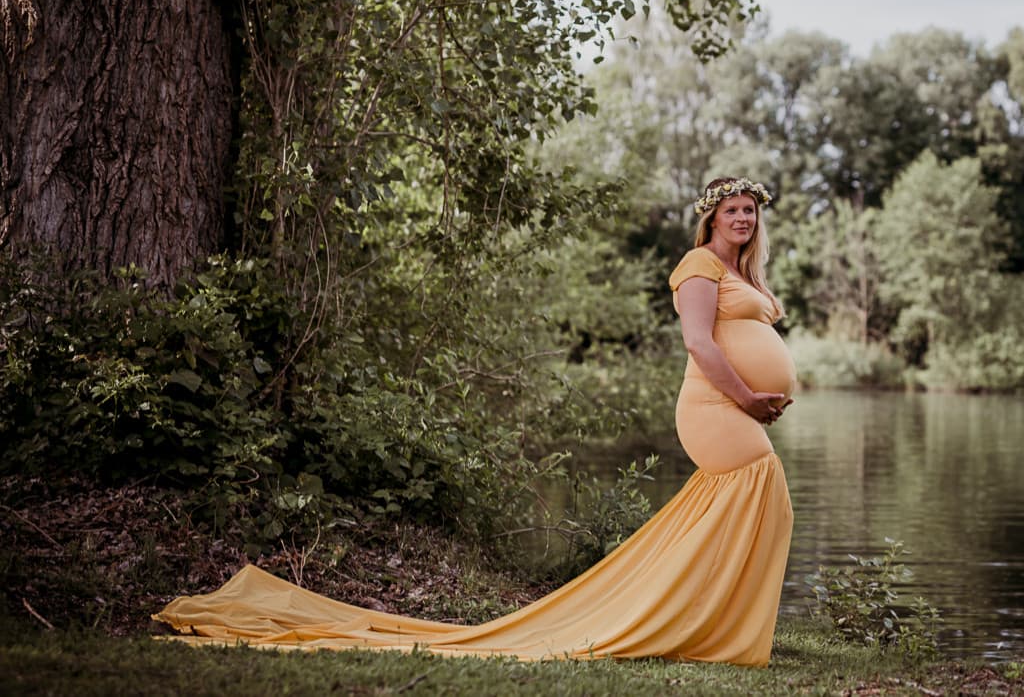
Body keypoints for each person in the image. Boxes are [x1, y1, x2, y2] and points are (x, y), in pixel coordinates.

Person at [153, 176, 797, 668]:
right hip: (716, 407)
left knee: (747, 507)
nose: (741, 218)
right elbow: (701, 346)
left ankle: (705, 623)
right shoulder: (699, 268)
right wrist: (748, 398)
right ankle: (702, 624)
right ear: (711, 216)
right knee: (759, 491)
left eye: (750, 211)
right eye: (731, 209)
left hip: (738, 406)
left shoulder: (743, 273)